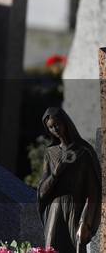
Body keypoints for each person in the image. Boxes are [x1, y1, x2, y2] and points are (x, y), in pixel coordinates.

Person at [38, 107, 102, 253]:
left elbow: (93, 191)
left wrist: (85, 222)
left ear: (65, 122)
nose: (55, 129)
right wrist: (55, 173)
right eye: (51, 127)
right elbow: (41, 193)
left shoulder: (83, 152)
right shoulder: (51, 153)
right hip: (55, 211)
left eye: (57, 124)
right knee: (52, 248)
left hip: (76, 210)